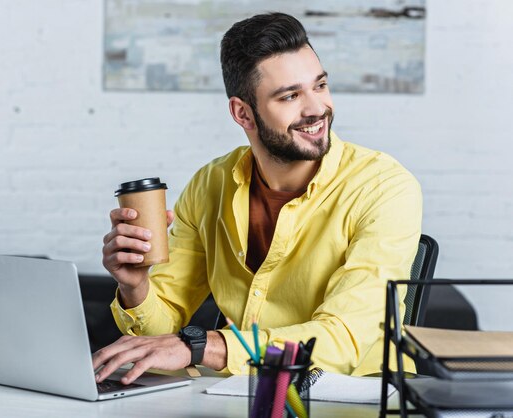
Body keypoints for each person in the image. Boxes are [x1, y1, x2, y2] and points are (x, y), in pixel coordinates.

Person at [93, 12, 421, 384]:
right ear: (243, 113)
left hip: (356, 394)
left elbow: (344, 338)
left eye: (320, 85)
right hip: (246, 391)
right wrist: (135, 286)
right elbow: (160, 335)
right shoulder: (210, 185)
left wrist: (205, 347)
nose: (316, 108)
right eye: (291, 96)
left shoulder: (385, 187)